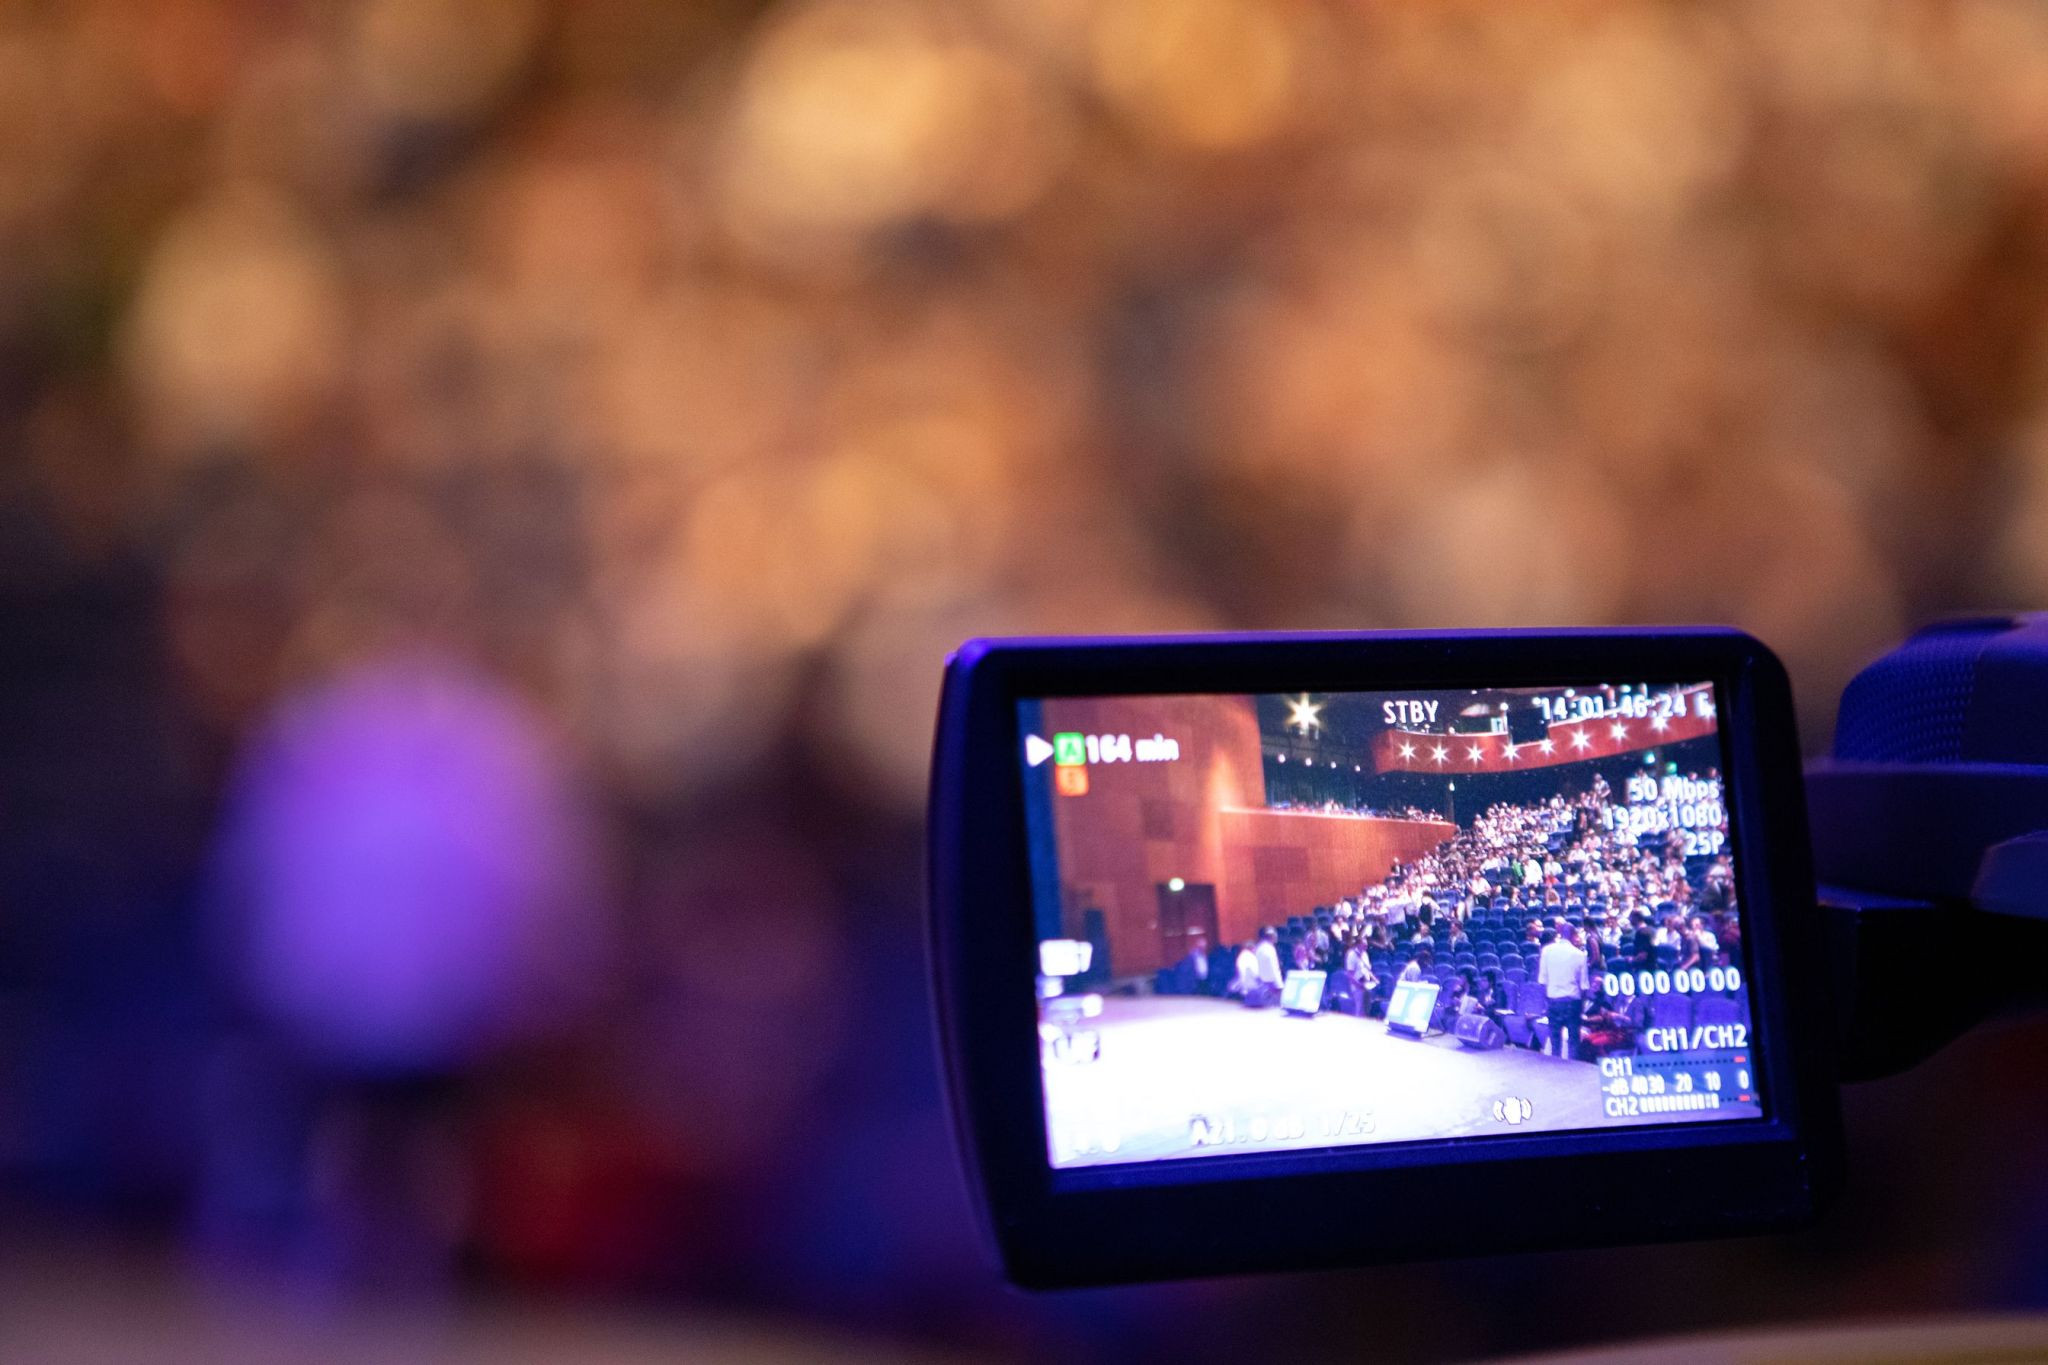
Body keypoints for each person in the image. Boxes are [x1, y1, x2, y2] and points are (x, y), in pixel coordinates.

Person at [1536, 924, 1590, 1059]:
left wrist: (1547, 1002)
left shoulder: (1547, 950)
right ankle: (1572, 1071)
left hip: (1553, 1001)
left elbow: (1542, 981)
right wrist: (1581, 1008)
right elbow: (1583, 986)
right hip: (1572, 1002)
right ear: (1573, 935)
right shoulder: (1580, 954)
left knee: (1555, 1041)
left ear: (1559, 933)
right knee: (1573, 1041)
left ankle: (1555, 1070)